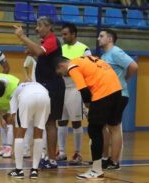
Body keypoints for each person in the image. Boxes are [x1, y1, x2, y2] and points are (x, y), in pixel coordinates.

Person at [56, 56, 122, 180]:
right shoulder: (85, 59)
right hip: (117, 90)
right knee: (111, 127)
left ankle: (96, 170)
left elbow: (83, 90)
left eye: (61, 74)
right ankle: (111, 161)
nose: (64, 76)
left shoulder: (72, 66)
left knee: (94, 130)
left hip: (103, 93)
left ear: (61, 66)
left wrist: (88, 106)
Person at [14, 16, 65, 169]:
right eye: (36, 25)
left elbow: (39, 51)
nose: (36, 28)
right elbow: (39, 53)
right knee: (43, 123)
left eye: (40, 26)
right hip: (44, 86)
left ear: (49, 27)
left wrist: (23, 37)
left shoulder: (52, 40)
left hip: (53, 86)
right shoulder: (45, 42)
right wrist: (32, 51)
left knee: (50, 123)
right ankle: (45, 157)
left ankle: (51, 159)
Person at [98, 29, 138, 170]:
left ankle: (115, 162)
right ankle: (106, 158)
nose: (98, 38)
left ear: (110, 39)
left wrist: (125, 79)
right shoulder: (104, 56)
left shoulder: (116, 52)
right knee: (106, 127)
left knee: (114, 128)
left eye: (101, 36)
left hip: (119, 95)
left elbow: (133, 66)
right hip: (108, 95)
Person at [56, 23, 92, 164]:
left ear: (73, 34)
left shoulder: (84, 49)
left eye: (65, 34)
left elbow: (89, 67)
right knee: (62, 121)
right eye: (62, 34)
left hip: (76, 87)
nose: (63, 37)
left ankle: (77, 153)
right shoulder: (61, 48)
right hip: (61, 87)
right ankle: (62, 151)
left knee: (76, 122)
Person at [7, 82, 50, 179]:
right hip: (45, 98)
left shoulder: (17, 89)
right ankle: (34, 170)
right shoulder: (39, 85)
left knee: (20, 133)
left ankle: (18, 170)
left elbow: (13, 115)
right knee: (39, 133)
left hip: (27, 98)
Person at [0, 73, 20, 158]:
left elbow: (16, 101)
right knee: (2, 122)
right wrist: (1, 117)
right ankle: (3, 146)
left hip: (13, 102)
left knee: (10, 122)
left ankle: (9, 148)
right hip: (2, 105)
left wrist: (10, 113)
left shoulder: (14, 85)